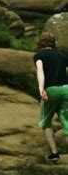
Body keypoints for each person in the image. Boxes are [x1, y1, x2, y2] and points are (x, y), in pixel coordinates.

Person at [33, 31, 68, 162]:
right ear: (54, 43)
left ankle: (54, 153)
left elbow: (40, 71)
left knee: (46, 121)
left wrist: (41, 89)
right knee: (67, 123)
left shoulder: (39, 55)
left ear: (40, 43)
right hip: (66, 89)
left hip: (51, 90)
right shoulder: (62, 56)